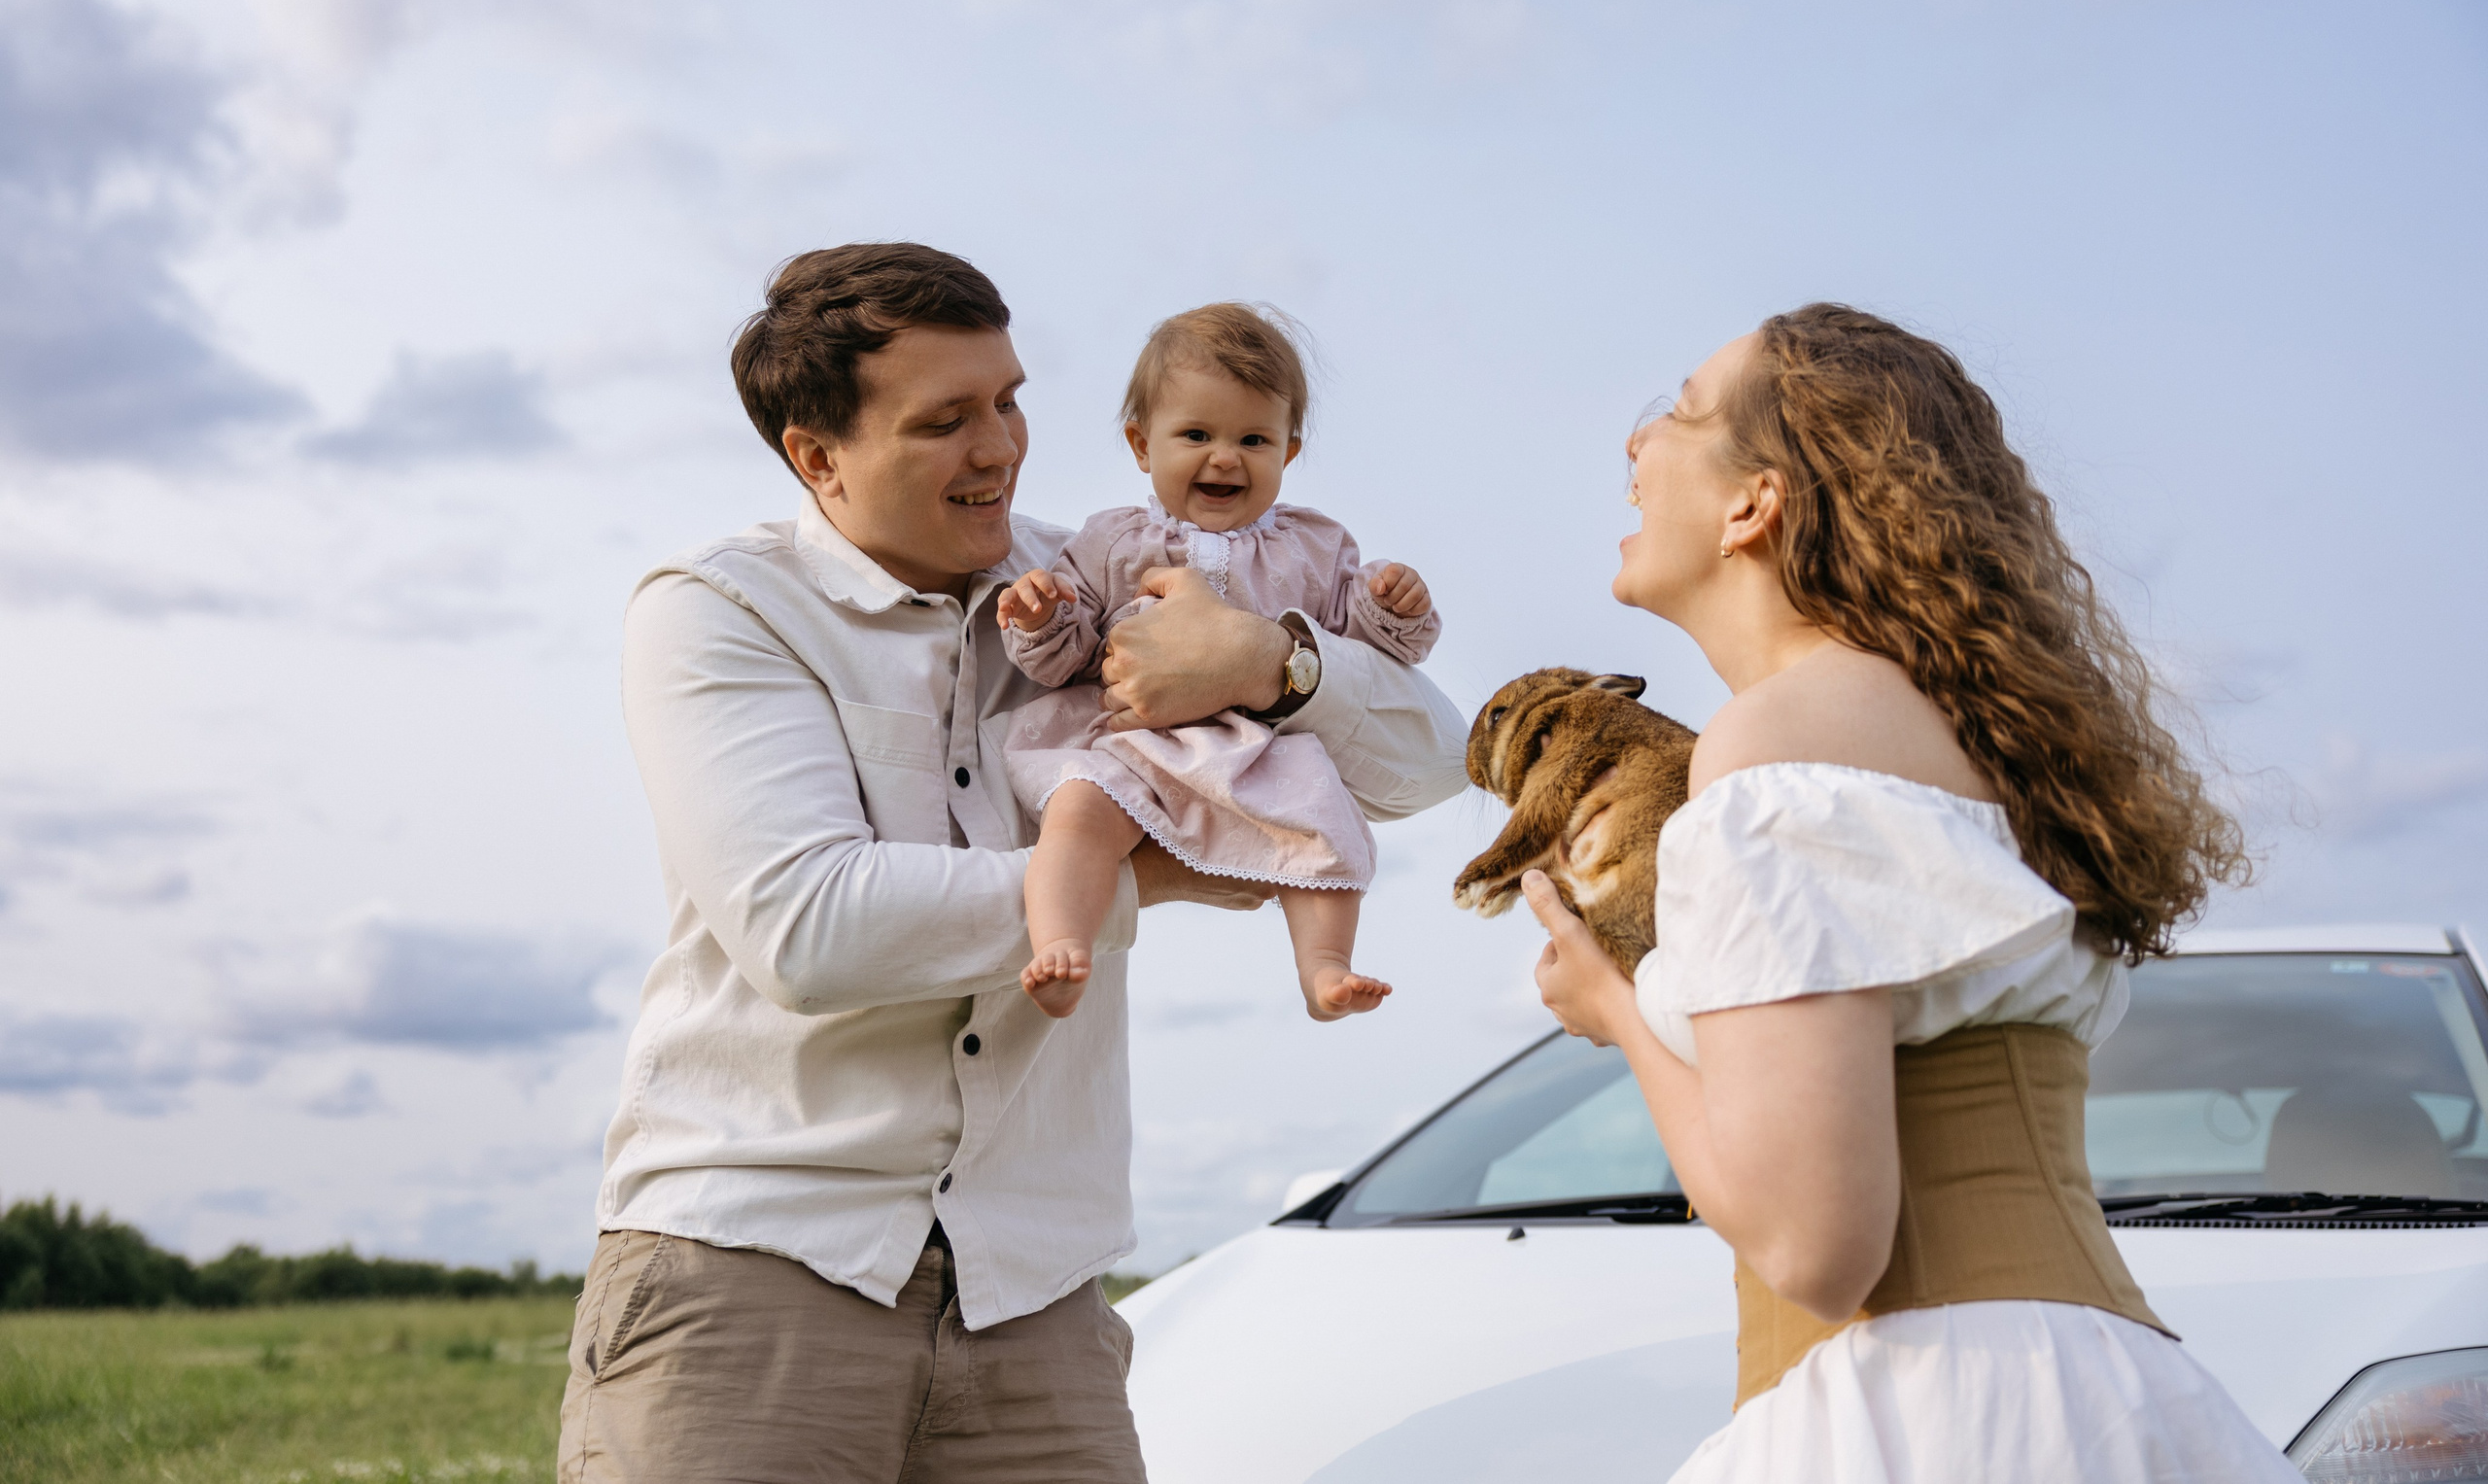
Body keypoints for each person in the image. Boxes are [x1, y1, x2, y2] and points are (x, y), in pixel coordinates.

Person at [556, 244, 1467, 1483]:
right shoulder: (721, 610)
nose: (1000, 448)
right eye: (945, 422)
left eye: (1010, 399)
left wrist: (1269, 664)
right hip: (754, 1274)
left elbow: (1424, 767)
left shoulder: (1108, 573)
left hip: (1035, 1293)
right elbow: (810, 928)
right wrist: (1149, 880)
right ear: (814, 455)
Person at [1527, 304, 2298, 1481]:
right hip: (2095, 1388)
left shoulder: (1773, 749)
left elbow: (1817, 1246)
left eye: (1677, 415)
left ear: (1754, 503)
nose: (1635, 447)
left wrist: (1614, 1009)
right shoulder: (1983, 743)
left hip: (1927, 1412)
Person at [994, 302, 1437, 1021]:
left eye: (1254, 438)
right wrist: (1046, 613)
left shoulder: (1316, 547)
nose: (1225, 456)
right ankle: (1061, 941)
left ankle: (1324, 968)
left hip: (1261, 746)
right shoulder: (1112, 540)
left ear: (1288, 452)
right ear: (1142, 444)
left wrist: (1394, 606)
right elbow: (1068, 656)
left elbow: (1361, 646)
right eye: (1196, 434)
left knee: (1323, 822)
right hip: (1128, 741)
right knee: (1077, 814)